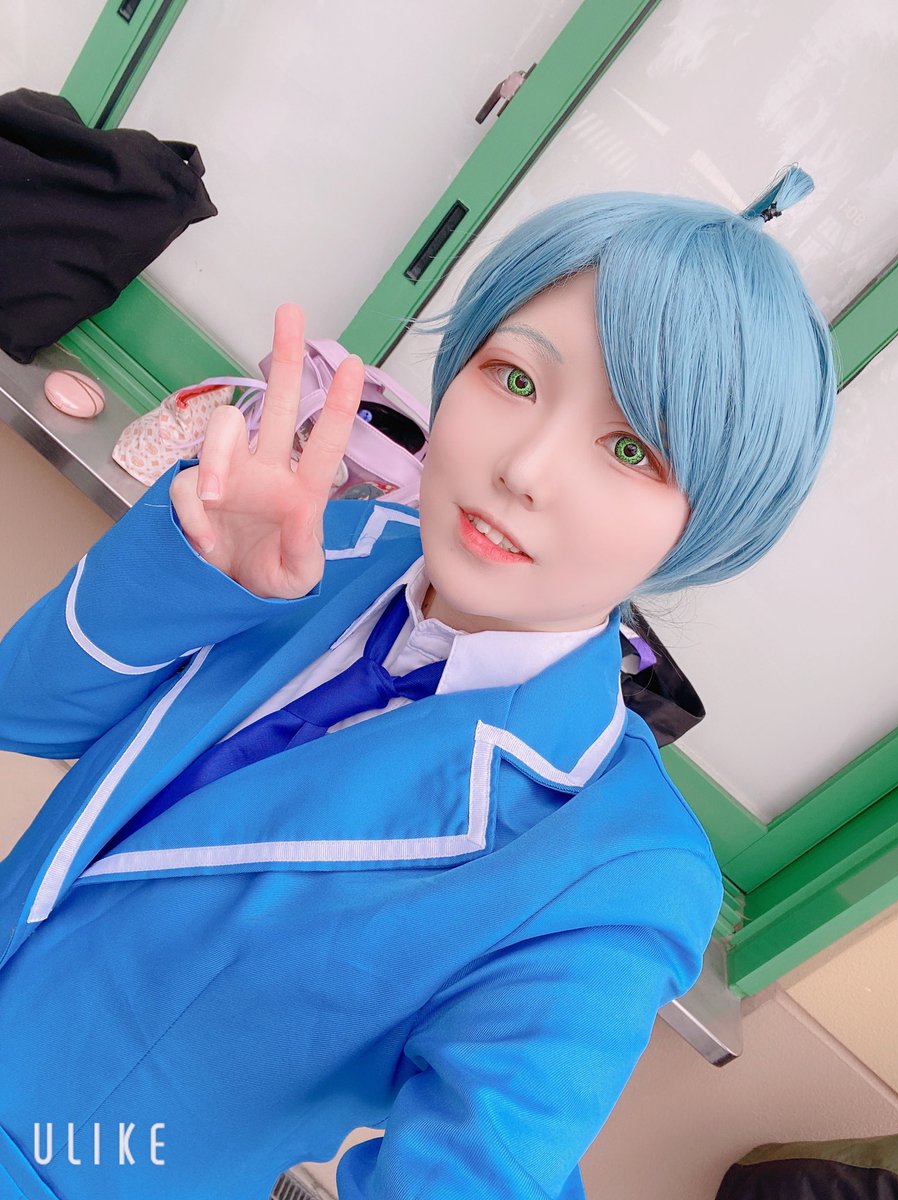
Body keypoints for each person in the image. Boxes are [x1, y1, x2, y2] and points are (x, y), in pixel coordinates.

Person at [0, 164, 836, 1200]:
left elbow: (480, 1169)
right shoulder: (324, 542)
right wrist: (191, 571)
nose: (524, 468)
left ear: (706, 529)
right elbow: (25, 709)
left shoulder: (618, 868)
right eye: (515, 379)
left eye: (631, 450)